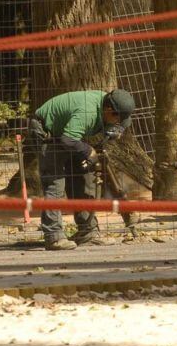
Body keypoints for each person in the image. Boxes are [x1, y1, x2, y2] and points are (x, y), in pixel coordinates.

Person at [27, 89, 136, 250]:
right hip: (46, 132)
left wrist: (114, 130)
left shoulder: (105, 105)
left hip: (64, 134)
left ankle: (88, 233)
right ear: (108, 110)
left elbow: (71, 136)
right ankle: (54, 237)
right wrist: (88, 150)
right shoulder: (88, 112)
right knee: (55, 183)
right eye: (118, 119)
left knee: (82, 177)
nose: (118, 123)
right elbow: (68, 139)